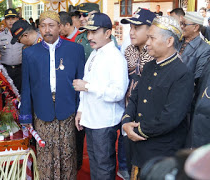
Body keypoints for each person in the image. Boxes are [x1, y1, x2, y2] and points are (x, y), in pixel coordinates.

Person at [121, 16, 194, 178]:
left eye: (152, 38)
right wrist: (126, 121)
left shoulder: (182, 73)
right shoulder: (148, 66)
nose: (147, 43)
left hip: (162, 151)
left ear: (169, 41)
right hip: (138, 146)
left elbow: (171, 117)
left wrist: (137, 130)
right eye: (148, 38)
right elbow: (135, 97)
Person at [19, 11, 85, 179]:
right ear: (38, 28)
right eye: (43, 26)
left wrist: (81, 110)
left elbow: (81, 82)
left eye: (51, 25)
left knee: (67, 153)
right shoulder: (29, 53)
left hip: (68, 110)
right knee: (45, 154)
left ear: (59, 27)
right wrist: (25, 116)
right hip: (42, 111)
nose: (47, 30)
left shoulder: (75, 50)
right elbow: (26, 87)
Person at [73, 13, 128, 180]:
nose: (90, 37)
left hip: (104, 122)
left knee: (104, 167)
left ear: (107, 33)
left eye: (94, 32)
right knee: (95, 164)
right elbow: (86, 82)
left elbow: (118, 92)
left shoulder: (115, 58)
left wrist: (88, 87)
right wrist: (81, 110)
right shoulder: (95, 53)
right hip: (91, 118)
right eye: (88, 33)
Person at [120, 8, 156, 178]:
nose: (131, 32)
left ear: (151, 29)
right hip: (129, 113)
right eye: (131, 28)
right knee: (129, 160)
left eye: (137, 28)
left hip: (150, 119)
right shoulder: (129, 51)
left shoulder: (158, 54)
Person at [0, 8, 24, 92]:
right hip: (5, 70)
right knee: (6, 94)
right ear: (4, 21)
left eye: (13, 18)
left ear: (17, 19)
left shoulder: (24, 33)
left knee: (21, 93)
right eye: (8, 19)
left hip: (21, 70)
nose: (11, 21)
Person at [178, 12, 210, 81]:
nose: (181, 27)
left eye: (184, 24)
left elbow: (198, 77)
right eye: (181, 23)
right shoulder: (176, 41)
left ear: (196, 27)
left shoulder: (205, 49)